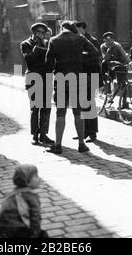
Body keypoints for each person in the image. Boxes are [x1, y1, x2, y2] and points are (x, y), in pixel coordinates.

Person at [45, 21, 99, 155]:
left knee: (60, 113)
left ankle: (58, 145)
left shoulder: (54, 40)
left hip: (62, 80)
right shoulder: (80, 38)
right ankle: (81, 144)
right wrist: (80, 59)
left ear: (62, 28)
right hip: (77, 79)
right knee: (78, 112)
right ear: (73, 29)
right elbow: (95, 52)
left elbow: (49, 63)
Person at [21, 23, 55, 146]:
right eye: (38, 32)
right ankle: (35, 135)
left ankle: (43, 134)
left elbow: (52, 61)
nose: (40, 35)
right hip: (33, 78)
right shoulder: (26, 44)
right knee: (35, 107)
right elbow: (29, 59)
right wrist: (37, 47)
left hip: (46, 77)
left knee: (46, 107)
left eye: (42, 32)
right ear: (33, 32)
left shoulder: (48, 44)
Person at [0, 164, 48, 239]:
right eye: (36, 176)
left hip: (0, 226)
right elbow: (35, 218)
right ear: (27, 181)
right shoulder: (31, 196)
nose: (39, 179)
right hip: (16, 228)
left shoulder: (14, 192)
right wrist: (35, 233)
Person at [75, 21, 102, 142]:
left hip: (91, 75)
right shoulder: (78, 40)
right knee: (82, 104)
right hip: (82, 75)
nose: (75, 31)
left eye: (77, 29)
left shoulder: (92, 41)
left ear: (82, 29)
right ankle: (84, 132)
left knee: (89, 104)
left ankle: (92, 133)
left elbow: (96, 58)